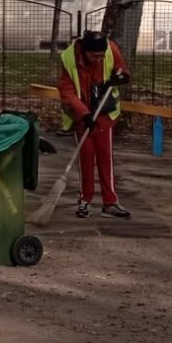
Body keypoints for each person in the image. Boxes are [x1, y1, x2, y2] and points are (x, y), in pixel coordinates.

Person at [58, 30, 132, 219]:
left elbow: (121, 69)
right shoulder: (68, 59)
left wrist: (121, 76)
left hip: (104, 112)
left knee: (105, 158)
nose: (99, 59)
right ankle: (85, 200)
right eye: (94, 56)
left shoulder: (110, 48)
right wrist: (83, 114)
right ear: (84, 51)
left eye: (101, 56)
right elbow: (66, 91)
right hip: (82, 115)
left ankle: (110, 202)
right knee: (86, 158)